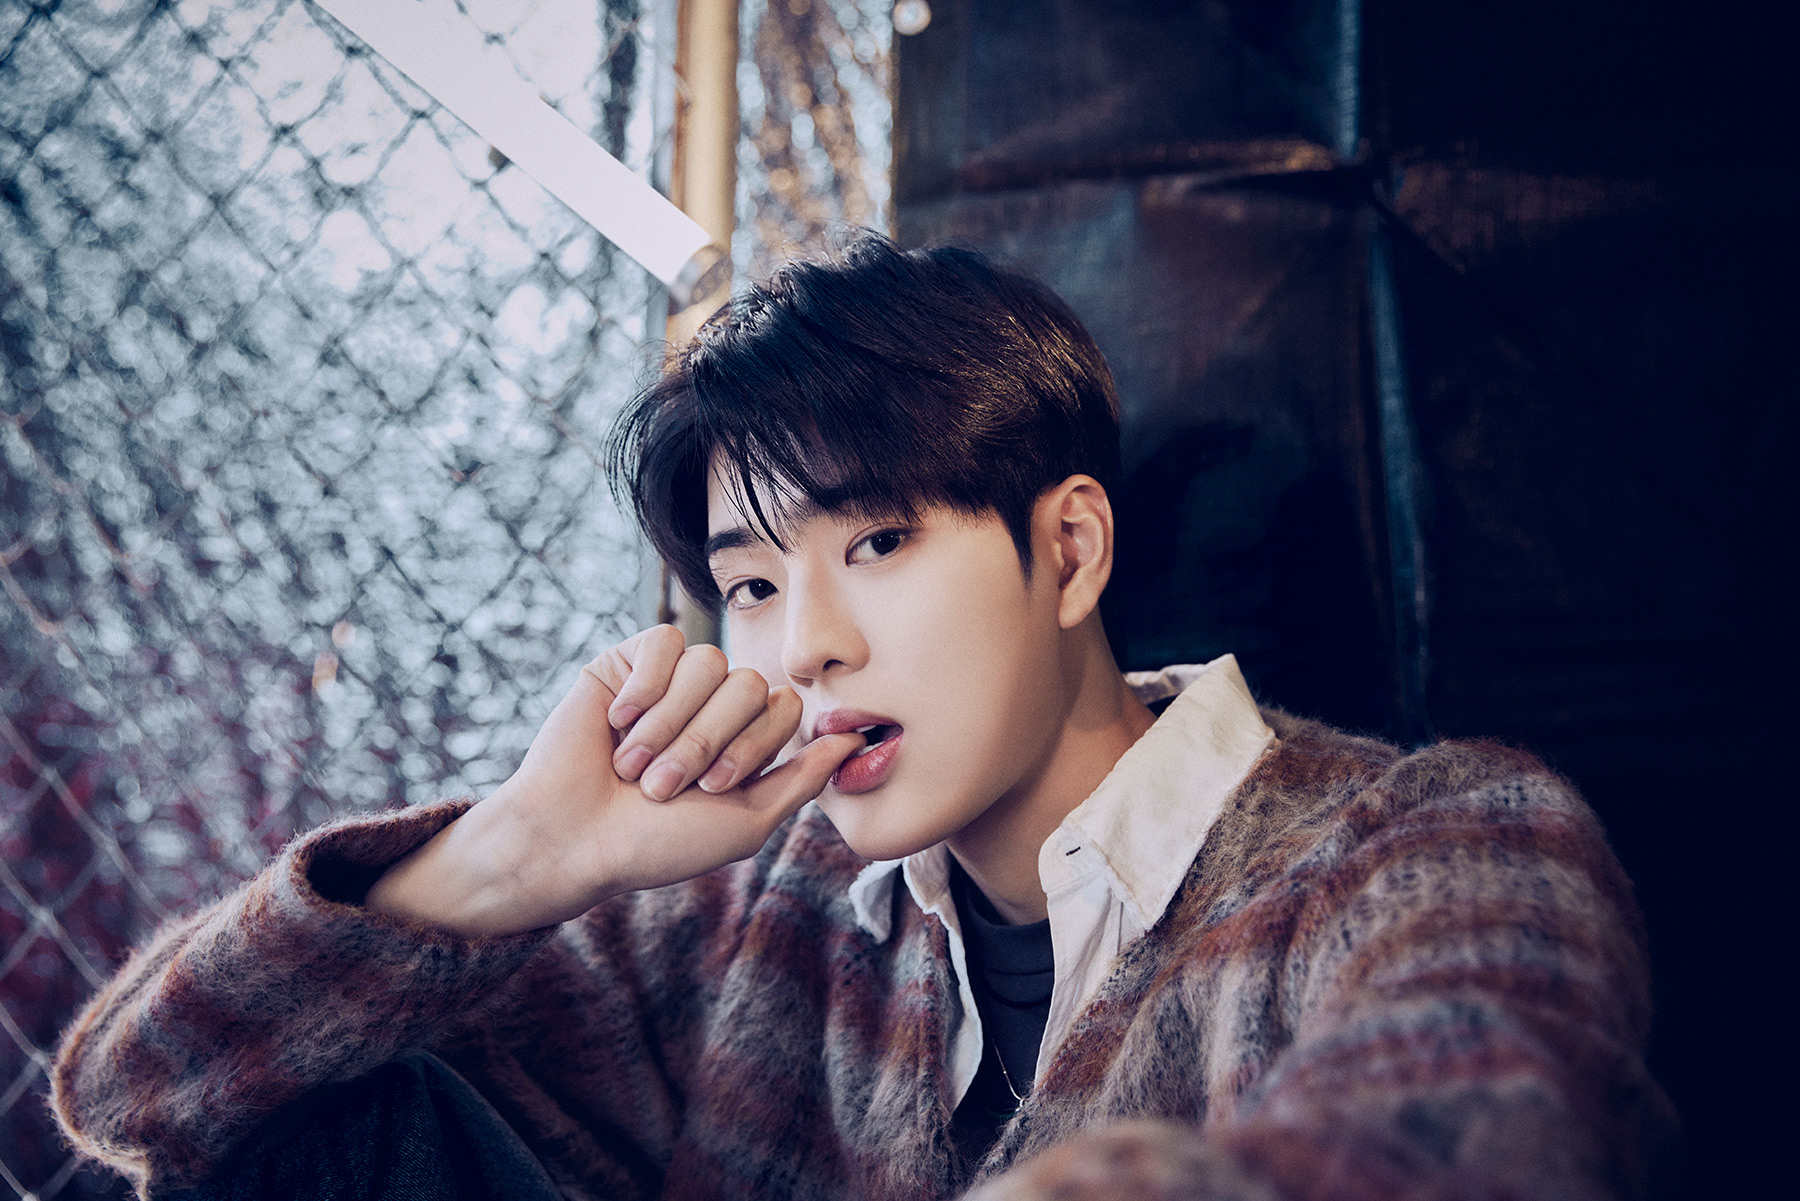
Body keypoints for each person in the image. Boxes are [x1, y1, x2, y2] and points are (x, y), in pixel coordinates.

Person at [51, 236, 1671, 1201]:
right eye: (752, 584)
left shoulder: (1431, 838)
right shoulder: (756, 910)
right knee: (325, 1123)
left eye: (878, 542)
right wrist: (511, 859)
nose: (806, 643)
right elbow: (155, 1100)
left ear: (1069, 550)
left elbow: (1484, 1133)